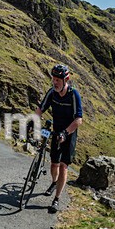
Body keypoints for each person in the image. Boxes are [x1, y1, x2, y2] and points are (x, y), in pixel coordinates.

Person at [34, 63, 83, 213]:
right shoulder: (52, 93)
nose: (54, 82)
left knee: (63, 166)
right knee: (54, 164)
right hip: (56, 131)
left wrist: (65, 133)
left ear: (66, 80)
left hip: (69, 133)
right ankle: (54, 182)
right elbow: (40, 109)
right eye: (53, 79)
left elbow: (78, 120)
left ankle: (56, 199)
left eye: (57, 80)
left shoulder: (73, 95)